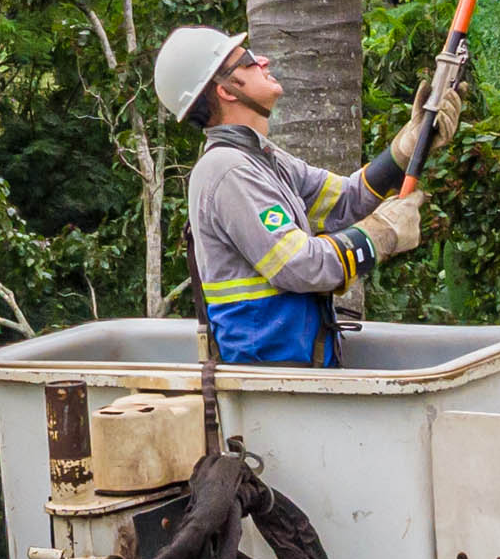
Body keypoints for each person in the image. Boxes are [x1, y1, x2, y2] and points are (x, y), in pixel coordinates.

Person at [152, 26, 462, 366]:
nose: (263, 60)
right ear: (226, 90)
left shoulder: (262, 159)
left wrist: (409, 145)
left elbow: (347, 200)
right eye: (249, 60)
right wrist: (381, 235)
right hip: (268, 378)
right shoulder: (227, 171)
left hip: (295, 370)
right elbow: (301, 266)